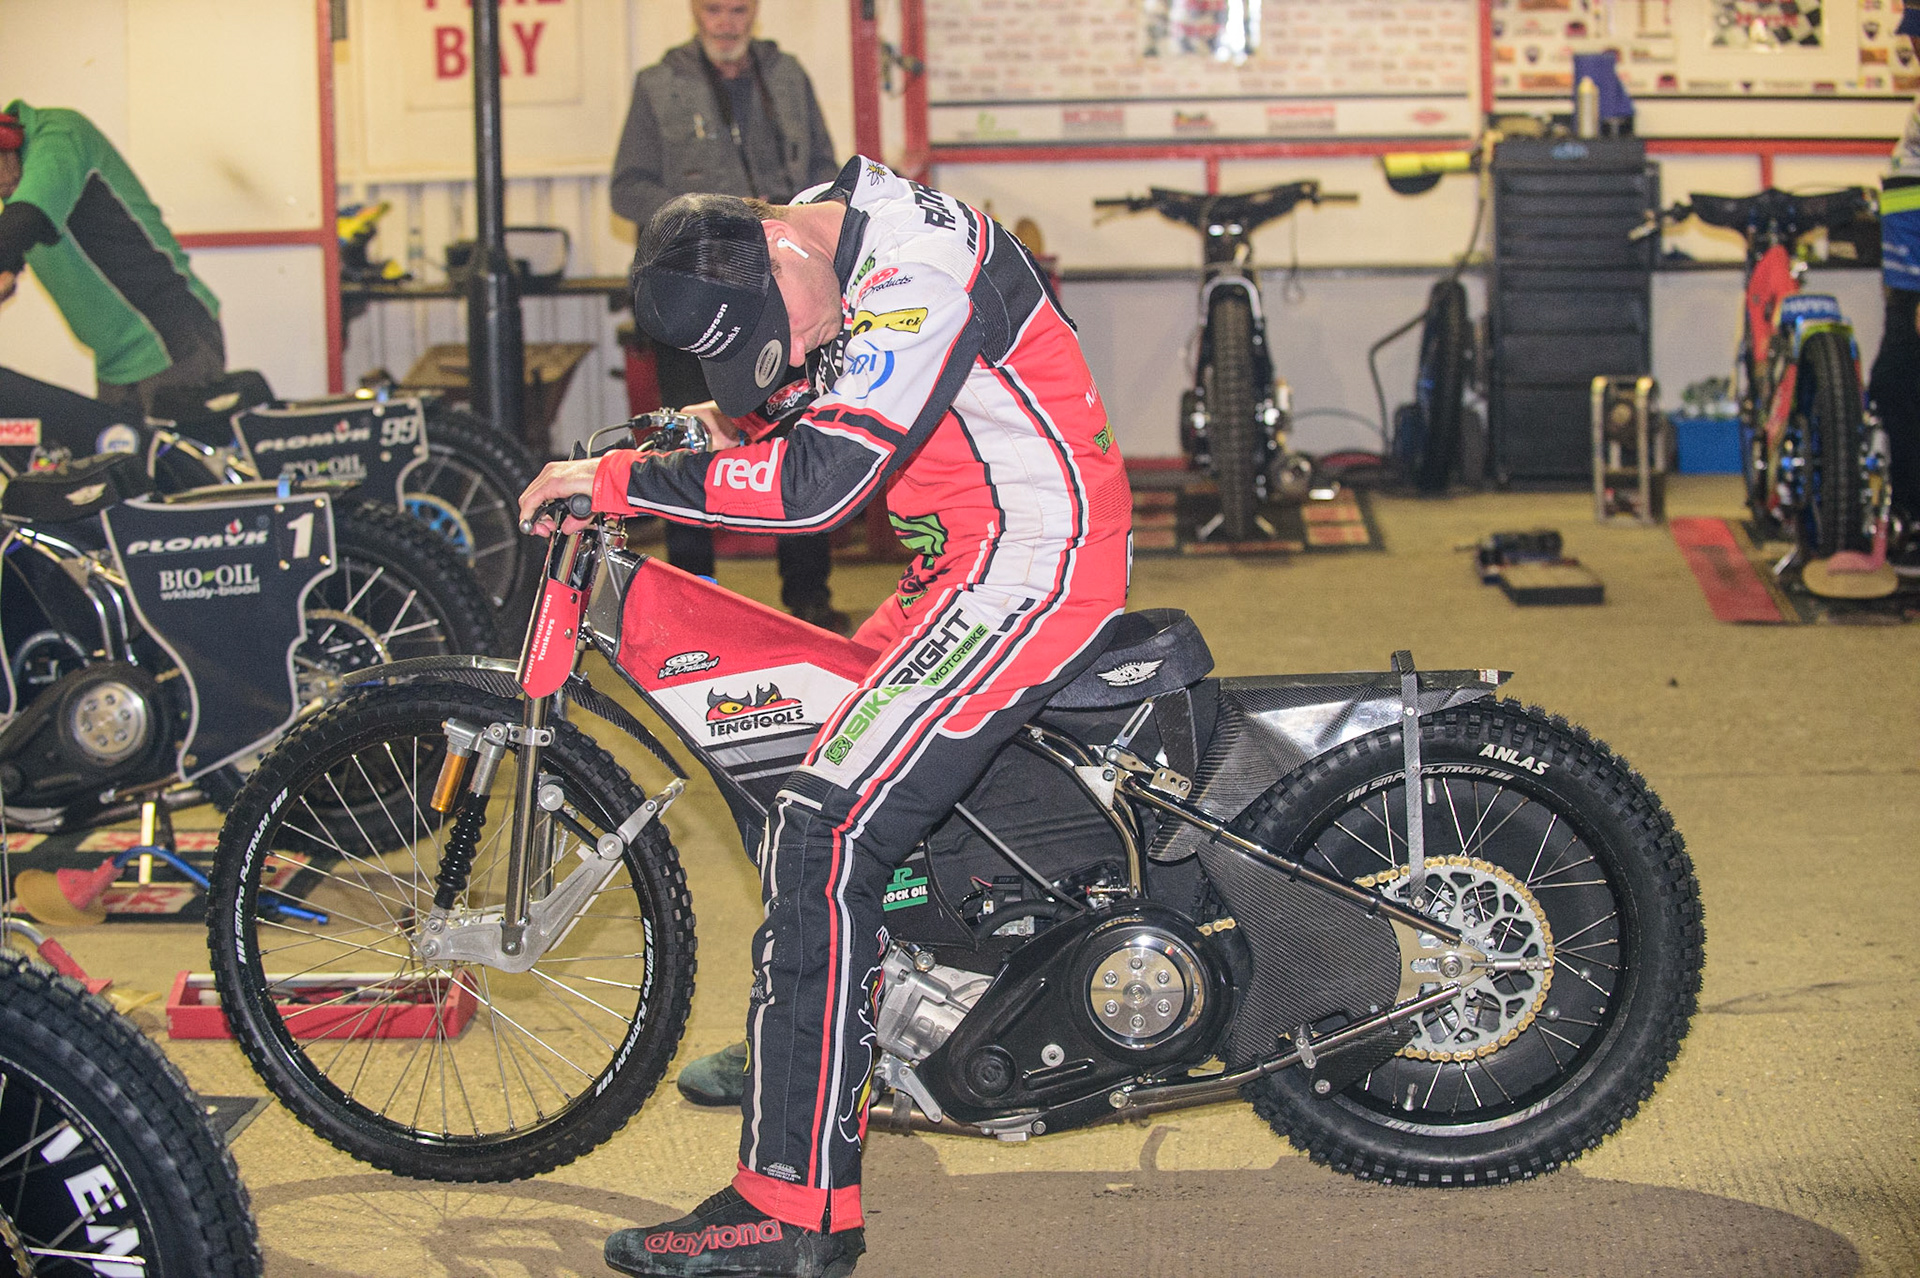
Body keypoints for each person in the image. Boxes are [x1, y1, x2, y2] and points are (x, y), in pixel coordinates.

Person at [519, 157, 1133, 1278]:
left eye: (782, 333)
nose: (792, 357)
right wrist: (658, 434)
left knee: (822, 826)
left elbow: (818, 483)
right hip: (958, 561)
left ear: (784, 246)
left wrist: (619, 485)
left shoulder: (918, 264)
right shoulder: (813, 247)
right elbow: (793, 405)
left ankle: (792, 1212)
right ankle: (826, 1043)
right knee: (787, 744)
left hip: (1030, 565)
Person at [611, 0, 850, 631]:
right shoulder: (658, 85)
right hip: (700, 294)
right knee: (692, 438)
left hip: (781, 288)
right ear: (695, 13)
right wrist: (704, 217)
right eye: (714, 10)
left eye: (738, 9)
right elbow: (625, 189)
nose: (727, 22)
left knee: (804, 431)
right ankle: (695, 597)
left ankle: (808, 598)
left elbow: (830, 172)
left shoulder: (789, 76)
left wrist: (795, 215)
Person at [0, 102, 225, 417]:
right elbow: (8, 259)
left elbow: (25, 222)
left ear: (7, 143)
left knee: (173, 466)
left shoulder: (57, 135)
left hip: (169, 339)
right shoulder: (13, 194)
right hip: (115, 363)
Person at [1869, 10, 1920, 574]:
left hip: (1917, 285)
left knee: (1899, 386)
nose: (1910, 39)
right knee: (1895, 385)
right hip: (1906, 280)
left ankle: (1915, 518)